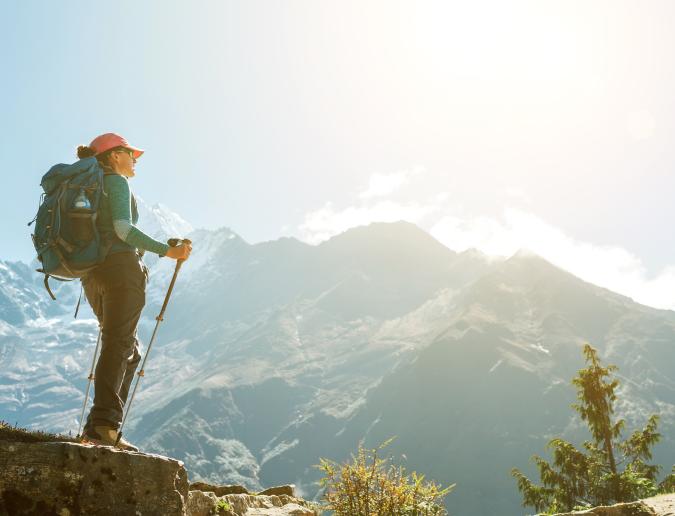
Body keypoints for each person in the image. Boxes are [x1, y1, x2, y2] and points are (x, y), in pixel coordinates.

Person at [76, 132, 191, 451]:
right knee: (120, 343)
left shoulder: (87, 188)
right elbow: (123, 230)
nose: (135, 159)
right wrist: (165, 251)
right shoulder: (115, 181)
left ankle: (97, 426)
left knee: (127, 348)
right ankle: (104, 426)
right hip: (121, 271)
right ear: (114, 155)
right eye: (131, 153)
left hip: (92, 276)